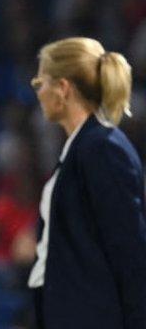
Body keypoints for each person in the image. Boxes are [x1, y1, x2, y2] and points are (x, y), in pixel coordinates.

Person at [28, 37, 146, 328]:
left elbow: (129, 249)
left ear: (63, 88)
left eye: (40, 83)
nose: (38, 91)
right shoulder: (81, 148)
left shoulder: (102, 148)